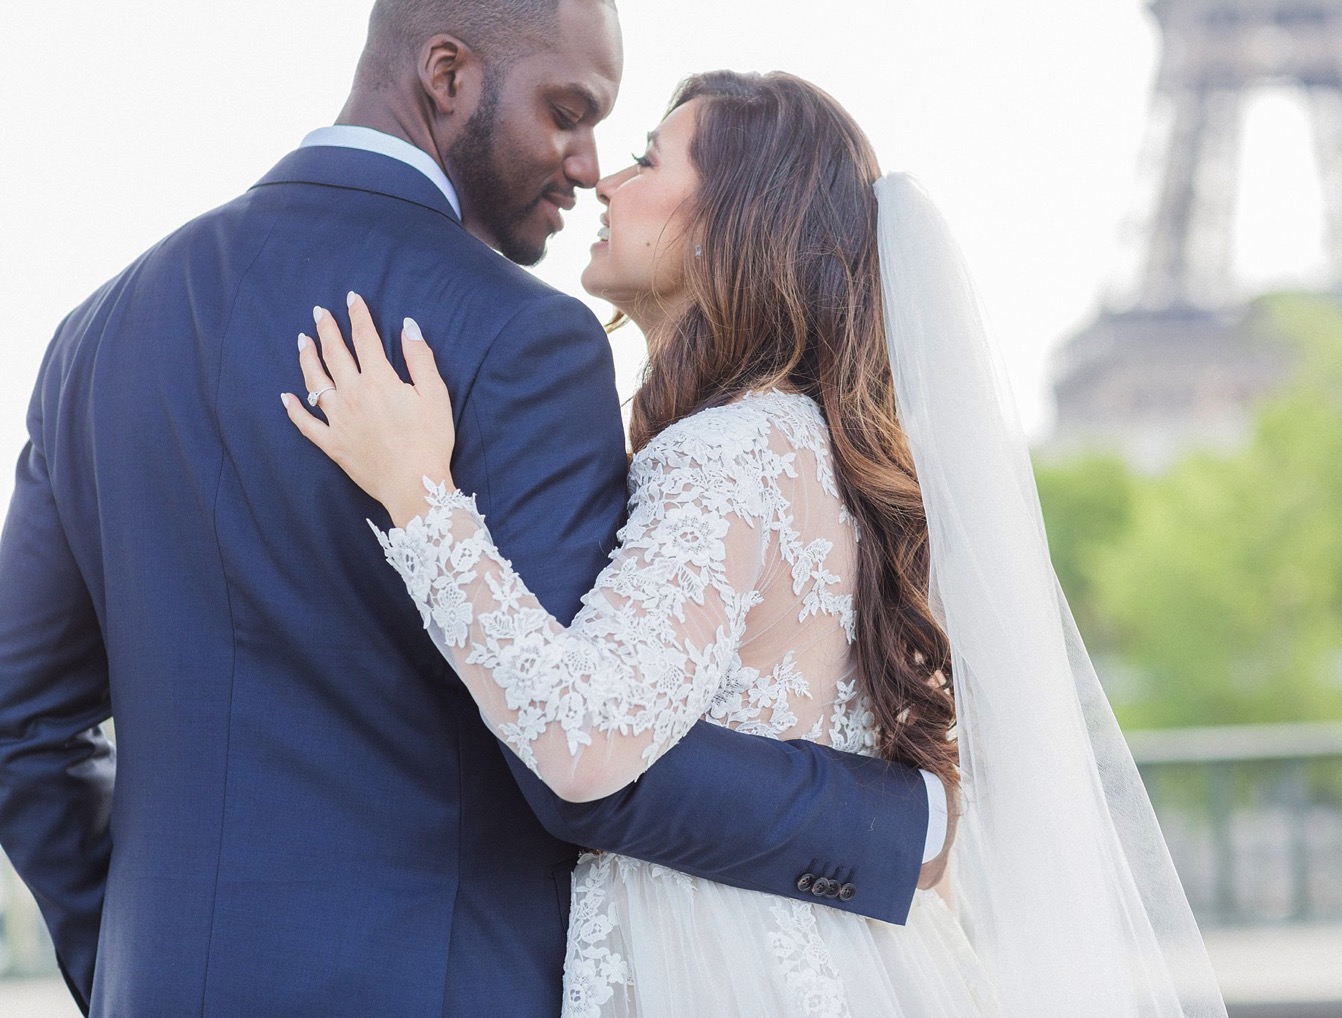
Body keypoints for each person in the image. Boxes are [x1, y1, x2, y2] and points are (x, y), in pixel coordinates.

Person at [0, 5, 948, 1015]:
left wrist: (123, 963)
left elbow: (20, 720)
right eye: (567, 112)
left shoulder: (96, 333)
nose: (587, 167)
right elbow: (585, 766)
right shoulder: (521, 338)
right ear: (446, 76)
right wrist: (895, 827)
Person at [286, 70, 1229, 1016]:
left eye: (651, 158)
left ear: (738, 220)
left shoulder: (733, 446)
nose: (607, 181)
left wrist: (422, 500)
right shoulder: (815, 444)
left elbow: (583, 743)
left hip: (720, 971)